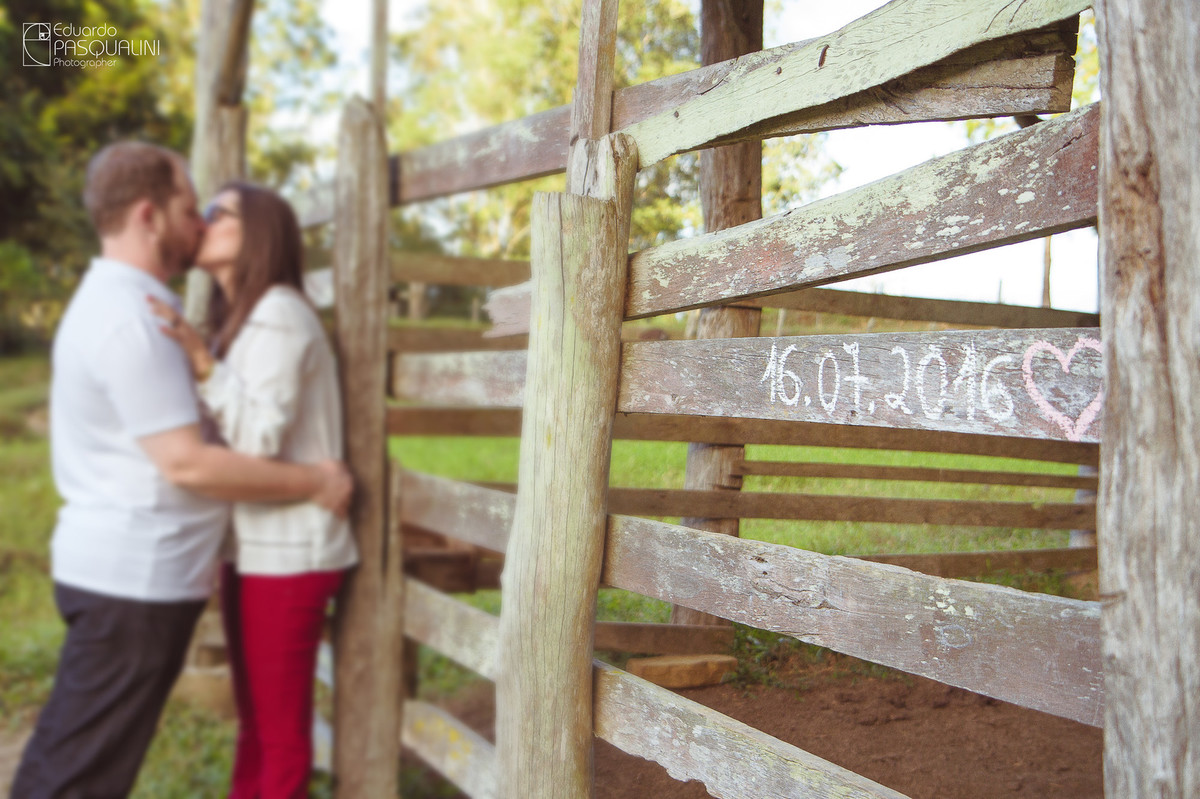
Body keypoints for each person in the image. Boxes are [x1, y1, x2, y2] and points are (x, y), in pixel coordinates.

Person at [10, 142, 354, 799]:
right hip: (134, 579)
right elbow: (187, 462)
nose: (198, 222)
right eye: (191, 208)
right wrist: (316, 480)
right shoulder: (131, 318)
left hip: (174, 570)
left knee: (88, 761)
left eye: (212, 212)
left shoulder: (163, 311)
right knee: (78, 769)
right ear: (148, 215)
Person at [147, 181, 358, 799]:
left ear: (258, 232)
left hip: (291, 552)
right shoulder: (242, 320)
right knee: (257, 729)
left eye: (220, 213)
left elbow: (258, 438)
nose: (204, 220)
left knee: (278, 734)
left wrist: (201, 362)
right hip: (254, 546)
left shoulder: (278, 313)